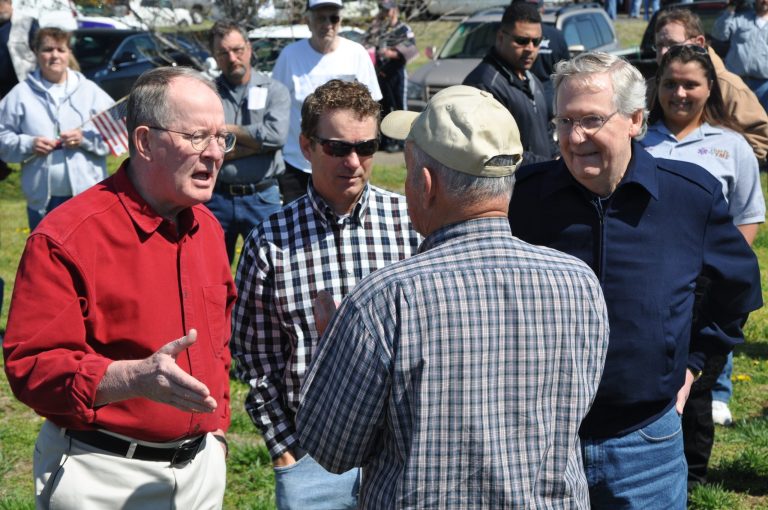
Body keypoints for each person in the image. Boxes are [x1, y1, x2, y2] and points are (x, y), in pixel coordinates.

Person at [295, 85, 610, 508]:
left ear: (426, 185)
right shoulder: (578, 284)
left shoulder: (387, 300)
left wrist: (335, 347)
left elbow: (332, 449)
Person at [508, 51, 762, 509]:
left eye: (590, 120)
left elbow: (738, 287)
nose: (574, 137)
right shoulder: (523, 200)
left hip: (645, 444)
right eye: (563, 121)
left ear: (635, 120)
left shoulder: (689, 196)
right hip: (536, 444)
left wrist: (694, 364)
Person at [3, 66, 237, 509]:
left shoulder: (206, 228)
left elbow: (218, 344)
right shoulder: (67, 237)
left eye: (221, 137)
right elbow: (31, 367)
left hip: (200, 473)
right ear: (145, 142)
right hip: (102, 473)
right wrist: (130, 378)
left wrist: (218, 436)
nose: (214, 154)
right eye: (196, 137)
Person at [230, 79, 419, 510]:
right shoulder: (271, 241)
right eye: (337, 148)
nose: (353, 162)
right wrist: (283, 447)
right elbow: (255, 356)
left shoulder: (411, 223)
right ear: (307, 146)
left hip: (404, 454)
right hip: (310, 455)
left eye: (366, 147)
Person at [641, 43, 765, 488]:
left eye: (690, 84)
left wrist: (720, 271)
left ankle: (691, 479)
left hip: (704, 291)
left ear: (708, 87)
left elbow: (749, 215)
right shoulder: (638, 142)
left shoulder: (731, 147)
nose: (679, 93)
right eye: (670, 83)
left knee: (696, 385)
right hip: (647, 285)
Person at [0, 26, 113, 230]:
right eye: (47, 49)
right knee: (45, 259)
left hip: (88, 196)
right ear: (35, 52)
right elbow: (2, 135)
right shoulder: (21, 94)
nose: (54, 56)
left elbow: (115, 132)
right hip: (43, 202)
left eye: (60, 50)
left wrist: (84, 139)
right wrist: (29, 143)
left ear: (69, 52)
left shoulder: (90, 91)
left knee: (89, 257)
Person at [272, 0, 382, 204]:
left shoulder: (356, 53)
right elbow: (275, 104)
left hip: (348, 161)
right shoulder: (290, 55)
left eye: (333, 17)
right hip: (298, 163)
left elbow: (373, 109)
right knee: (297, 230)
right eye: (320, 18)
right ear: (308, 21)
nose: (327, 24)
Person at [206, 20, 290, 262]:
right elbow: (205, 140)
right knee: (212, 270)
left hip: (263, 198)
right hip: (216, 198)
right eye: (223, 52)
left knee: (271, 269)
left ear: (249, 48)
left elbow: (276, 136)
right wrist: (257, 145)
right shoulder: (207, 93)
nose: (232, 58)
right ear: (215, 56)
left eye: (237, 49)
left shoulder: (275, 90)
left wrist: (228, 130)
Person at [651, 8, 768, 165]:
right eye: (659, 45)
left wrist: (720, 163)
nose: (664, 51)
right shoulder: (650, 87)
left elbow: (760, 137)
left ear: (698, 42)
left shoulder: (729, 87)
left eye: (672, 44)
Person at [463, 1, 556, 166]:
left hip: (542, 182)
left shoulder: (532, 80)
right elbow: (496, 151)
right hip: (511, 188)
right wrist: (547, 166)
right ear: (500, 37)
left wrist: (557, 157)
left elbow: (546, 129)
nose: (530, 48)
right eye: (521, 40)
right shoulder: (483, 85)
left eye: (536, 41)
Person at [364, 0, 417, 152]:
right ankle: (387, 140)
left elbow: (411, 48)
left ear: (394, 10)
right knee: (384, 107)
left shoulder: (402, 28)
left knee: (400, 108)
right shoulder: (380, 28)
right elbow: (367, 41)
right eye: (383, 10)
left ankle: (403, 142)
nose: (385, 13)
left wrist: (390, 53)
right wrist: (375, 23)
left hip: (397, 73)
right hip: (382, 74)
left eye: (387, 10)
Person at [713, 0, 768, 111]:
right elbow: (719, 34)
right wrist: (730, 8)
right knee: (732, 120)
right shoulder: (739, 19)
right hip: (736, 82)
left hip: (764, 86)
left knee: (764, 123)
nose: (764, 1)